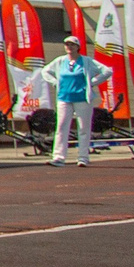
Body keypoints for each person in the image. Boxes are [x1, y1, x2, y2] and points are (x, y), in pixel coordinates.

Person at [41, 34, 101, 167]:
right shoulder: (60, 61)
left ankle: (83, 157)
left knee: (83, 128)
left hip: (82, 99)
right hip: (64, 98)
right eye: (67, 44)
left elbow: (106, 71)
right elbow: (45, 71)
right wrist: (55, 82)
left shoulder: (86, 61)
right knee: (61, 126)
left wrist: (92, 82)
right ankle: (58, 157)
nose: (69, 47)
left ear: (77, 47)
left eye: (72, 44)